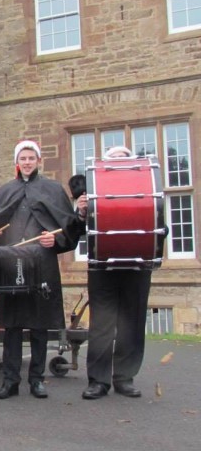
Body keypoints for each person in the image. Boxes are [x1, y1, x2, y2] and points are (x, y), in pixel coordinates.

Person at [0, 140, 81, 399]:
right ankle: (9, 380)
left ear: (38, 161)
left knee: (39, 325)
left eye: (31, 158)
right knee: (12, 325)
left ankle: (36, 379)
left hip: (41, 262)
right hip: (11, 263)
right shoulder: (5, 191)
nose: (27, 162)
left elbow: (69, 227)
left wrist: (54, 240)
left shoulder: (52, 189)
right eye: (23, 158)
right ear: (18, 162)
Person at [80, 146, 162, 400]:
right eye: (113, 159)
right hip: (102, 266)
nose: (117, 163)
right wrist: (82, 211)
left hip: (137, 265)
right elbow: (79, 230)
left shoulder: (146, 189)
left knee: (132, 323)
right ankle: (98, 381)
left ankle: (125, 378)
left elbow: (161, 226)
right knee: (101, 325)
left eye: (122, 159)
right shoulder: (93, 193)